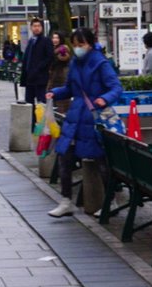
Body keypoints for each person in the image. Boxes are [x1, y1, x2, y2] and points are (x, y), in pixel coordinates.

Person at [46, 28, 124, 218]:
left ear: (90, 44)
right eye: (75, 45)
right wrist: (55, 93)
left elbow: (116, 87)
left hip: (93, 118)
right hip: (76, 117)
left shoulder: (100, 63)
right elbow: (71, 89)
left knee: (100, 160)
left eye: (81, 45)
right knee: (64, 157)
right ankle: (66, 201)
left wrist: (104, 99)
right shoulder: (75, 63)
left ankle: (110, 201)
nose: (77, 48)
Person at [21, 17, 52, 105]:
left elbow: (49, 57)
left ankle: (41, 119)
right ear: (31, 28)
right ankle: (32, 119)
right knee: (29, 102)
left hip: (40, 77)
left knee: (41, 102)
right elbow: (27, 58)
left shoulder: (46, 41)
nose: (36, 28)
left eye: (39, 26)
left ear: (42, 28)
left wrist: (38, 68)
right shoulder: (31, 41)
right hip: (29, 78)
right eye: (34, 26)